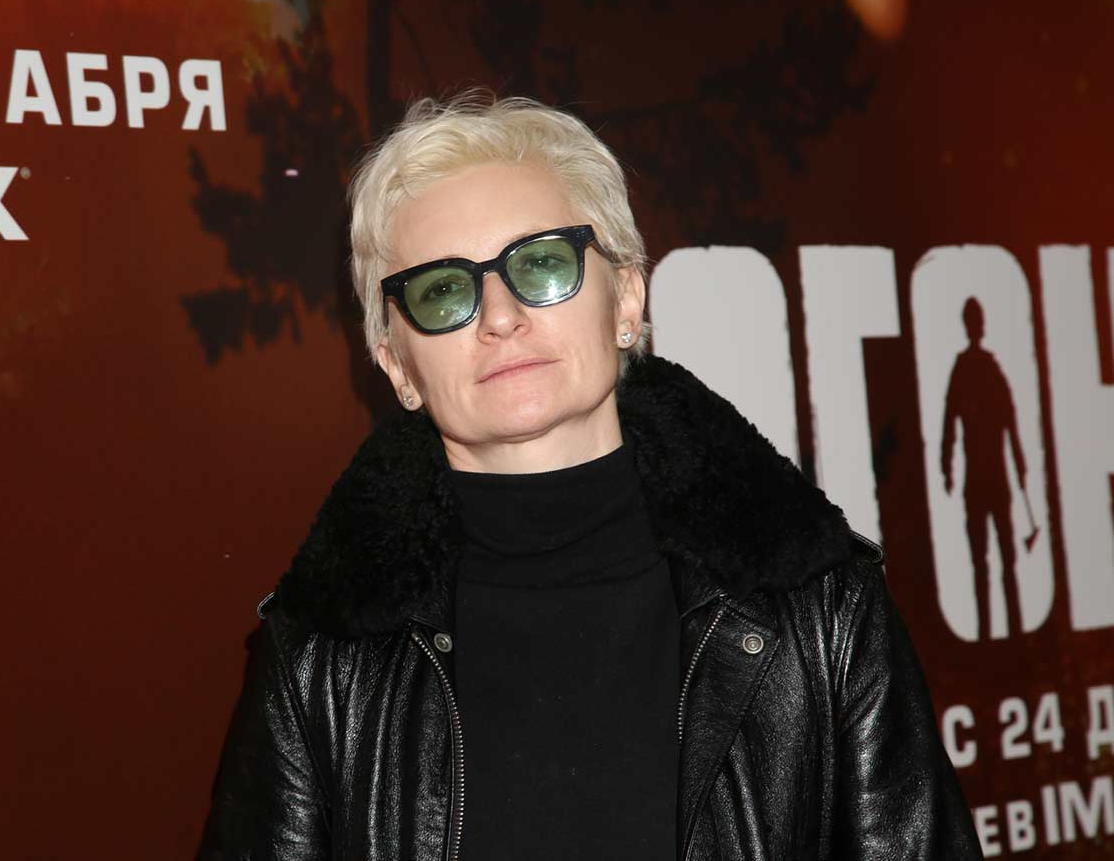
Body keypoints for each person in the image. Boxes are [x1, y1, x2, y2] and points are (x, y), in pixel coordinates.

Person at [198, 92, 980, 860]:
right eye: (443, 290)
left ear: (626, 299)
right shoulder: (319, 655)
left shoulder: (819, 602)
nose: (499, 316)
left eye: (541, 264)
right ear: (397, 365)